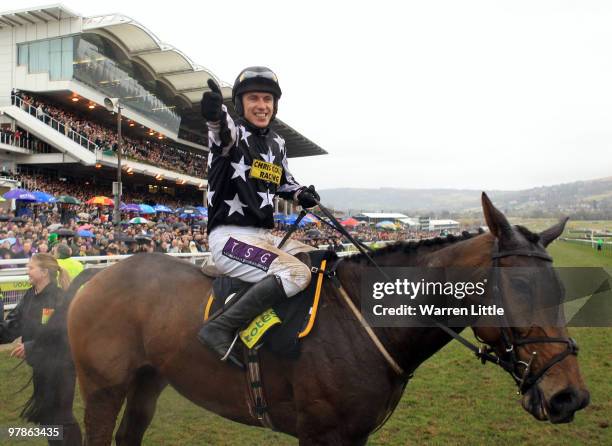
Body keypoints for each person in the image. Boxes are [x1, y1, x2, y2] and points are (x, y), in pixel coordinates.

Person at [197, 67, 320, 368]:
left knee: (318, 260)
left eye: (267, 99)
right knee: (296, 274)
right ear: (240, 104)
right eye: (253, 98)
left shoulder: (277, 143)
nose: (262, 105)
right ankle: (219, 326)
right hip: (229, 238)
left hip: (264, 236)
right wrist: (215, 114)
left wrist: (301, 194)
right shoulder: (233, 134)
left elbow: (283, 181)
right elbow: (221, 131)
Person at [0, 253, 81, 444]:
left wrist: (31, 346)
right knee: (47, 420)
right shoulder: (30, 295)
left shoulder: (60, 298)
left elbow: (63, 334)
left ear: (44, 272)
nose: (27, 271)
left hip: (62, 368)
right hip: (41, 367)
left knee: (61, 419)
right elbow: (12, 326)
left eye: (30, 268)